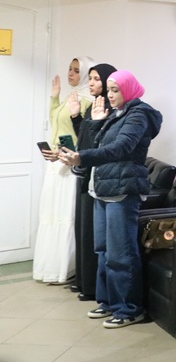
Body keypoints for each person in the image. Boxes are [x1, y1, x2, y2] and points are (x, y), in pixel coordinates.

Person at [58, 70, 163, 328]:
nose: (110, 94)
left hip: (122, 190)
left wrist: (81, 157)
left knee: (121, 253)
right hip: (103, 188)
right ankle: (108, 302)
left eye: (115, 90)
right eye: (109, 90)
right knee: (103, 250)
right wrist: (95, 124)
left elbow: (121, 148)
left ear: (129, 89)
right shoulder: (117, 113)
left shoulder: (139, 114)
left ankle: (129, 309)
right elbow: (97, 145)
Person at [34, 56, 95, 284]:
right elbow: (56, 123)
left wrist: (64, 153)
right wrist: (54, 97)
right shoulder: (72, 96)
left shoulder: (87, 101)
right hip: (56, 162)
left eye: (76, 70)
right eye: (70, 69)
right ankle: (50, 267)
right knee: (51, 214)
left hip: (70, 164)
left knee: (65, 215)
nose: (71, 73)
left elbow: (84, 137)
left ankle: (66, 269)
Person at [71, 63, 117, 302]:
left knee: (92, 233)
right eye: (90, 78)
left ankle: (90, 286)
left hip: (96, 175)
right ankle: (83, 281)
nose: (91, 83)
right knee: (82, 227)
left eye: (97, 79)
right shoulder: (94, 105)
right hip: (85, 171)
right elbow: (85, 137)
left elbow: (99, 143)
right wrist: (76, 117)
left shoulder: (108, 108)